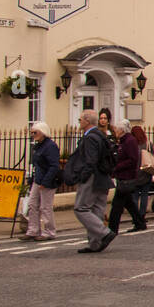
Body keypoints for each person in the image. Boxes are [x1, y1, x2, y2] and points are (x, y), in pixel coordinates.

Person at [65, 109, 116, 254]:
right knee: (97, 209)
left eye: (80, 119)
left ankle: (104, 233)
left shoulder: (90, 138)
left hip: (92, 177)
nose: (79, 122)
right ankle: (95, 243)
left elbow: (90, 160)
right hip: (103, 177)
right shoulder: (101, 135)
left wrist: (83, 177)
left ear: (87, 121)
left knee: (81, 208)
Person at [107, 120, 149, 235]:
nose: (115, 130)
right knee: (129, 203)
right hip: (124, 176)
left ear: (122, 130)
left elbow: (132, 160)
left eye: (116, 129)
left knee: (117, 205)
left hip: (127, 177)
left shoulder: (129, 141)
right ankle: (140, 223)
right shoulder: (124, 141)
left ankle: (112, 229)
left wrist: (117, 167)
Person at [21, 121, 60, 242]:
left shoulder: (50, 146)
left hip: (47, 182)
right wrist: (33, 179)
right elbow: (36, 165)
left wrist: (45, 182)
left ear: (43, 132)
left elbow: (54, 166)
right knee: (32, 205)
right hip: (38, 180)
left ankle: (49, 231)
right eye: (32, 132)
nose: (33, 134)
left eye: (35, 132)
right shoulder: (38, 146)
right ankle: (33, 230)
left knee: (45, 207)